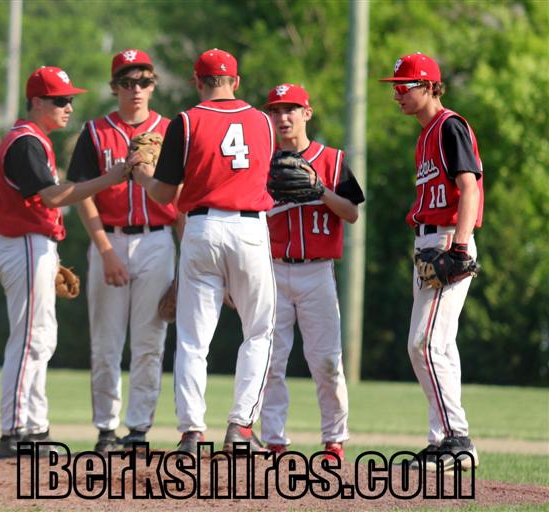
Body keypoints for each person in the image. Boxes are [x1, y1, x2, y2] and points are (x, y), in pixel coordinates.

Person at [131, 48, 276, 454]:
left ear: (197, 82)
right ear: (236, 82)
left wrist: (144, 176)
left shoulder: (186, 121)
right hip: (249, 228)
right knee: (259, 332)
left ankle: (192, 433)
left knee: (193, 340)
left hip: (201, 227)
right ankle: (240, 428)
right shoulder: (264, 122)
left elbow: (165, 194)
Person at [0, 66, 130, 459]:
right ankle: (14, 432)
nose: (69, 106)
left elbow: (42, 202)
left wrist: (50, 251)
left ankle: (34, 429)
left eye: (70, 99)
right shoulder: (25, 142)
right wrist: (110, 178)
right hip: (23, 244)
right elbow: (52, 197)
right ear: (36, 102)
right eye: (60, 100)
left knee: (42, 338)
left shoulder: (35, 140)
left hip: (33, 244)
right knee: (30, 340)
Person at [67, 49, 182, 454]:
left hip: (157, 239)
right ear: (114, 86)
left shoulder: (171, 131)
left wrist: (186, 264)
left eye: (144, 81)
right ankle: (106, 429)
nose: (136, 89)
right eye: (128, 82)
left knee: (151, 341)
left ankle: (138, 430)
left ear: (154, 85)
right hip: (110, 239)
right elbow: (81, 194)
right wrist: (104, 251)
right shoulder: (95, 132)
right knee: (106, 343)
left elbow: (183, 198)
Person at [379, 53, 483, 471]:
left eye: (404, 86)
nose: (397, 95)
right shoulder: (425, 135)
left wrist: (459, 247)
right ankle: (442, 440)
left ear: (428, 86)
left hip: (447, 240)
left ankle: (458, 440)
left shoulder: (448, 126)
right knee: (439, 345)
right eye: (395, 88)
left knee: (422, 343)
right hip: (429, 242)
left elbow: (469, 187)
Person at [258, 84, 364, 461]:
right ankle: (274, 439)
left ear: (307, 113)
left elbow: (351, 213)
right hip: (272, 270)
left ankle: (334, 440)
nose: (282, 117)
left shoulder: (332, 159)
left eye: (291, 109)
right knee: (271, 361)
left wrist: (320, 190)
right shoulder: (260, 162)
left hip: (317, 272)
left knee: (327, 362)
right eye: (275, 110)